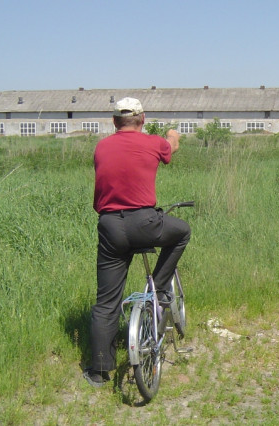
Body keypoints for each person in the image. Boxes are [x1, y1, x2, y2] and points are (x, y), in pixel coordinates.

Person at [85, 97, 191, 386]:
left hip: (110, 226)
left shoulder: (102, 146)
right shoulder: (155, 142)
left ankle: (99, 370)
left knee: (106, 300)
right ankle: (158, 289)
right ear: (142, 119)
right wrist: (172, 136)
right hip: (144, 222)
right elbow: (171, 150)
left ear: (114, 121)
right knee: (182, 231)